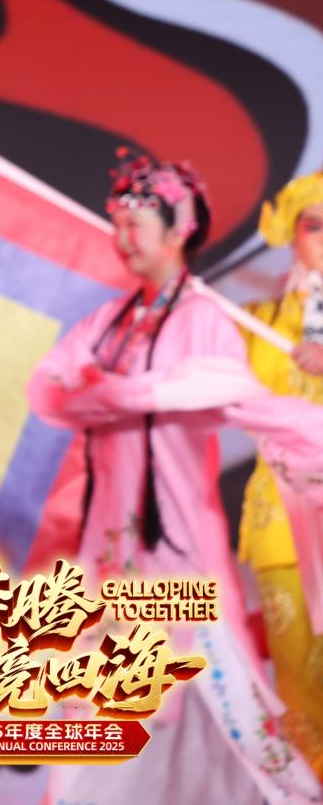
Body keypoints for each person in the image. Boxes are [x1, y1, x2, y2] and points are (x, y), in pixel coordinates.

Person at [27, 152, 321, 804]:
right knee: (95, 714)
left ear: (179, 229)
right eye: (119, 221)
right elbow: (47, 392)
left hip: (179, 547)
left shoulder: (204, 319)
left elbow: (245, 403)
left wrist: (113, 392)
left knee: (240, 714)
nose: (123, 237)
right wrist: (145, 392)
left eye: (138, 222)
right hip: (110, 551)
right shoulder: (109, 322)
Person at [240, 165, 323, 776]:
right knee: (297, 677)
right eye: (316, 225)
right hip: (282, 521)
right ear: (292, 234)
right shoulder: (257, 320)